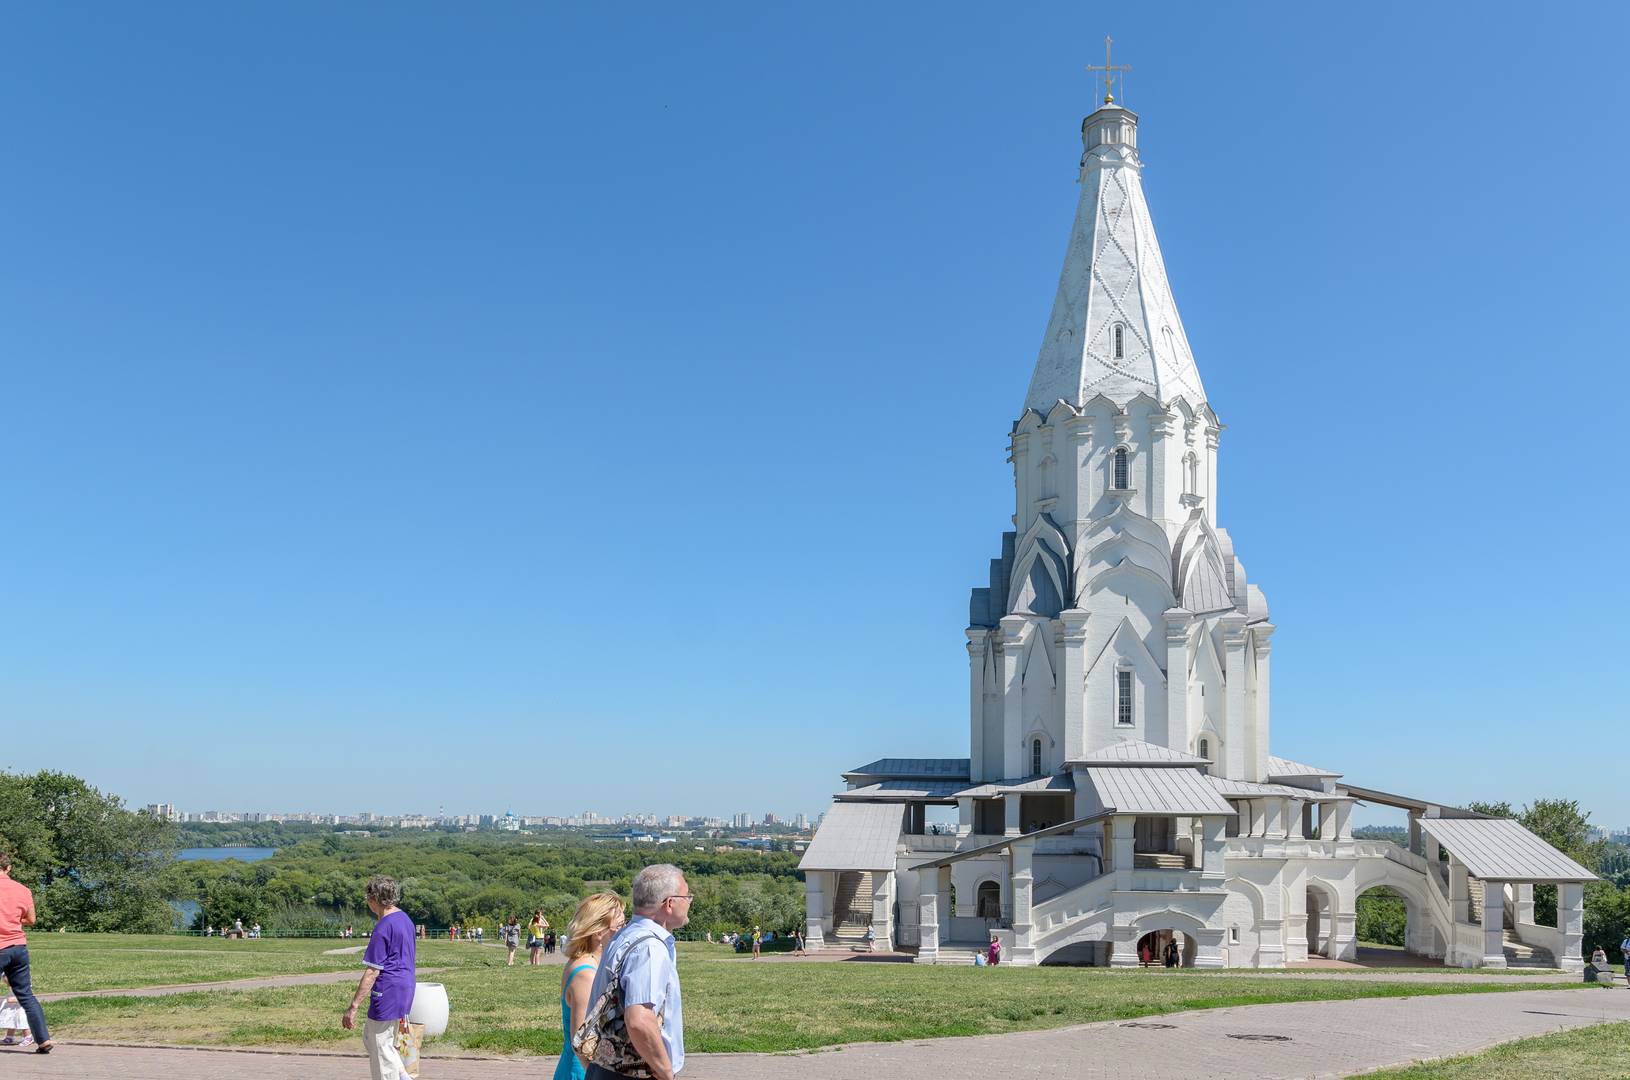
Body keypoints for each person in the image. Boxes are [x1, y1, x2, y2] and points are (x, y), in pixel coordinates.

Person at [583, 864, 689, 1080]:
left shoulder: (625, 936)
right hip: (635, 1071)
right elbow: (639, 1020)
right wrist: (665, 1071)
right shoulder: (649, 948)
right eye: (687, 896)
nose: (689, 902)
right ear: (670, 903)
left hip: (607, 1065)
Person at [341, 875, 416, 1080]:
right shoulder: (405, 919)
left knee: (381, 1049)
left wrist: (353, 1006)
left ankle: (399, 1077)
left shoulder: (383, 926)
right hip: (406, 986)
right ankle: (403, 1075)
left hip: (388, 989)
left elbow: (372, 971)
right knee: (374, 1038)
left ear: (374, 900)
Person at [555, 892, 626, 1080]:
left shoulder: (587, 963)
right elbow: (581, 1042)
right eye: (619, 926)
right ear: (598, 932)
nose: (624, 932)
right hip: (582, 1072)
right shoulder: (586, 973)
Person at [0, 852, 53, 1053]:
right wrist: (13, 921)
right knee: (26, 996)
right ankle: (43, 1040)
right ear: (8, 868)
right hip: (18, 948)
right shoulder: (23, 890)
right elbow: (31, 920)